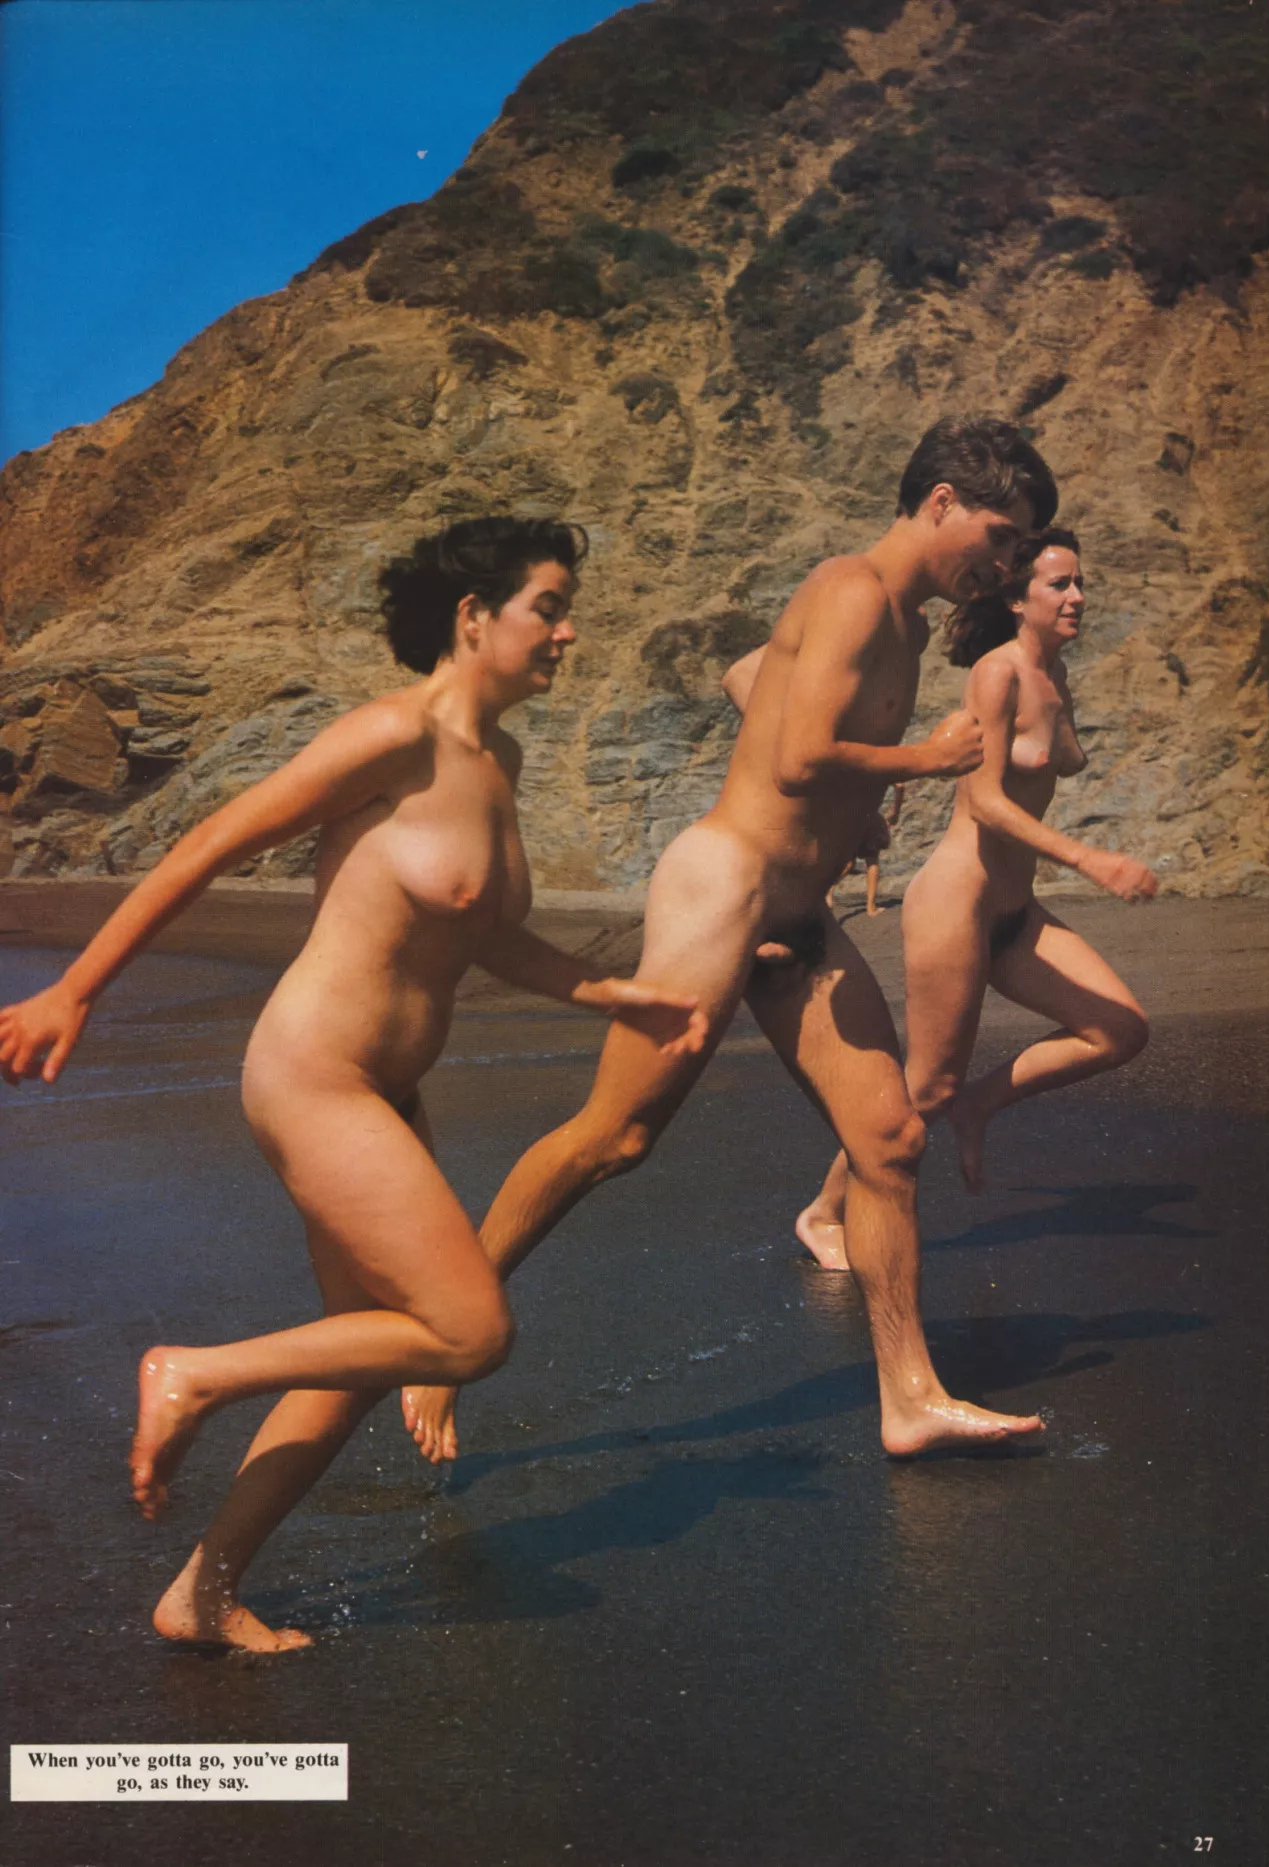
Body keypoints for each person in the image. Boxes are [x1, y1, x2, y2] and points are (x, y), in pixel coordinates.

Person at [0, 516, 706, 1652]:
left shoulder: (499, 762)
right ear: (473, 617)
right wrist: (73, 991)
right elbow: (211, 844)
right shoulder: (392, 736)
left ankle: (202, 1592)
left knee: (359, 1354)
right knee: (467, 1332)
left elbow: (488, 936)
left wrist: (616, 995)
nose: (568, 632)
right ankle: (195, 1373)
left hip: (387, 1092)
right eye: (548, 606)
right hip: (313, 1077)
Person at [402, 415, 1059, 1466]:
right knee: (614, 1139)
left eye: (1020, 546)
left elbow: (755, 675)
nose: (1006, 563)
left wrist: (857, 805)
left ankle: (910, 1396)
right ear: (940, 502)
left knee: (889, 1140)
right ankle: (444, 1329)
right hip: (725, 889)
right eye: (998, 534)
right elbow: (796, 754)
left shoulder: (894, 616)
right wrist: (921, 762)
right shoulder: (850, 589)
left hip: (796, 912)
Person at [784, 527, 1157, 1269]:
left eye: (1080, 583)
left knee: (1119, 1030)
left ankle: (980, 1103)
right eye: (1060, 584)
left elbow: (1055, 759)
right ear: (1018, 599)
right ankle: (823, 1212)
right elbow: (984, 801)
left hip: (1013, 913)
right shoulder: (997, 673)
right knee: (924, 1087)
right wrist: (1089, 858)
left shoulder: (1054, 676)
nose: (1077, 597)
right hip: (956, 905)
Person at [863, 783, 905, 916]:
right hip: (869, 815)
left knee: (846, 862)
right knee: (872, 859)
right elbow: (900, 786)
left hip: (847, 815)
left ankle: (827, 893)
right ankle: (870, 907)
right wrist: (895, 812)